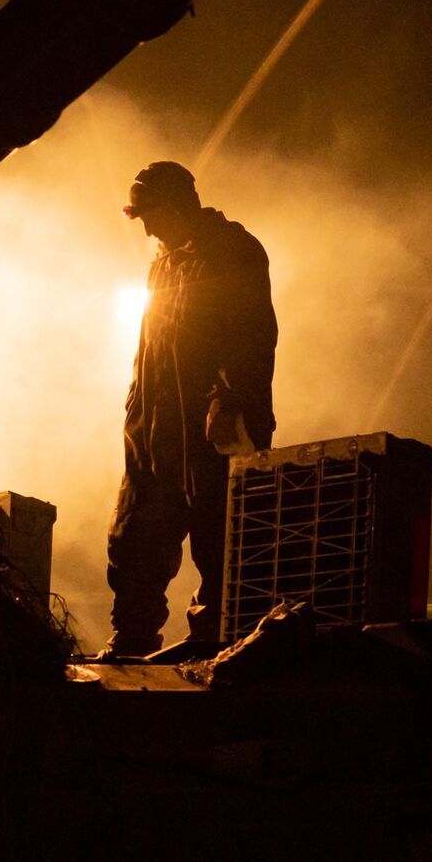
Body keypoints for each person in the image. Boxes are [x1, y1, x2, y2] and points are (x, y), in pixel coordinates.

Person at [101, 161, 277, 662]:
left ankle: (216, 641)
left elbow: (251, 338)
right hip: (157, 430)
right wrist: (136, 416)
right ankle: (132, 640)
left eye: (150, 216)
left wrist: (229, 401)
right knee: (136, 534)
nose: (147, 228)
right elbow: (150, 352)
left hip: (212, 431)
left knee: (223, 539)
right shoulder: (163, 262)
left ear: (176, 206)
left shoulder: (234, 252)